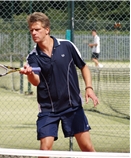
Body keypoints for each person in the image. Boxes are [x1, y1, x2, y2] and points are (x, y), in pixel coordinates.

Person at [20, 12, 99, 155]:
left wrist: (89, 88)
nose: (34, 33)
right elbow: (36, 81)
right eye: (31, 30)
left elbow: (83, 66)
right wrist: (30, 74)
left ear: (47, 30)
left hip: (72, 106)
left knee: (87, 148)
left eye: (37, 29)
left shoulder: (67, 46)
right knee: (45, 150)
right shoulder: (33, 56)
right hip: (48, 110)